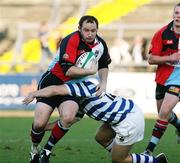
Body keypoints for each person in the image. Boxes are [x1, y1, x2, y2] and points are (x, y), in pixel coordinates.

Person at [23, 78, 168, 163]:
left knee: (119, 160)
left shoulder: (82, 85)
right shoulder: (77, 99)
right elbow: (69, 120)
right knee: (101, 137)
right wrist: (42, 127)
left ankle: (156, 162)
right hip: (120, 117)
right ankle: (124, 153)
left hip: (128, 119)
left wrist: (34, 94)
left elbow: (55, 90)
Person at [28, 15, 111, 163]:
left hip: (72, 87)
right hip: (52, 81)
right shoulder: (70, 40)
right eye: (86, 30)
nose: (90, 34)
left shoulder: (100, 44)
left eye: (93, 30)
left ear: (97, 30)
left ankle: (46, 151)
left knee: (68, 117)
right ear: (79, 29)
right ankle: (34, 148)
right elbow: (68, 71)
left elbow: (104, 64)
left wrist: (103, 83)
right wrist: (90, 72)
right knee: (39, 123)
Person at [143, 3, 180, 155]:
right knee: (163, 114)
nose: (178, 16)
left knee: (164, 112)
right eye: (177, 13)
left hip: (178, 79)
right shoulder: (162, 33)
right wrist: (170, 57)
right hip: (163, 78)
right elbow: (151, 59)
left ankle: (148, 151)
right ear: (173, 14)